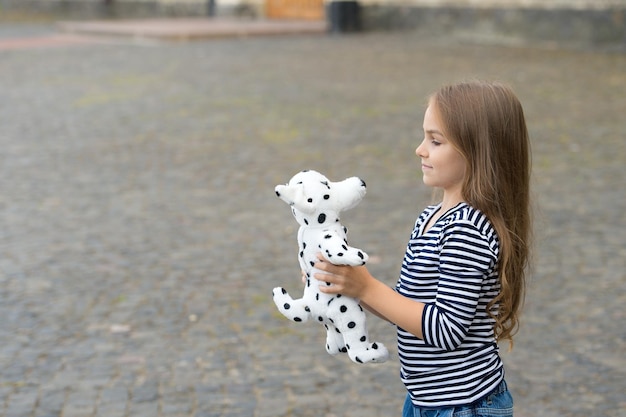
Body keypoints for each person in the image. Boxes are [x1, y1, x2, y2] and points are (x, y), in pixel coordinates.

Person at [314, 80, 532, 417]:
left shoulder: (466, 228)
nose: (420, 149)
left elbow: (445, 329)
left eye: (436, 141)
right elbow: (409, 311)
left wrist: (367, 285)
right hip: (426, 400)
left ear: (478, 151)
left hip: (465, 405)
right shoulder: (430, 218)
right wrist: (345, 284)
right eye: (424, 137)